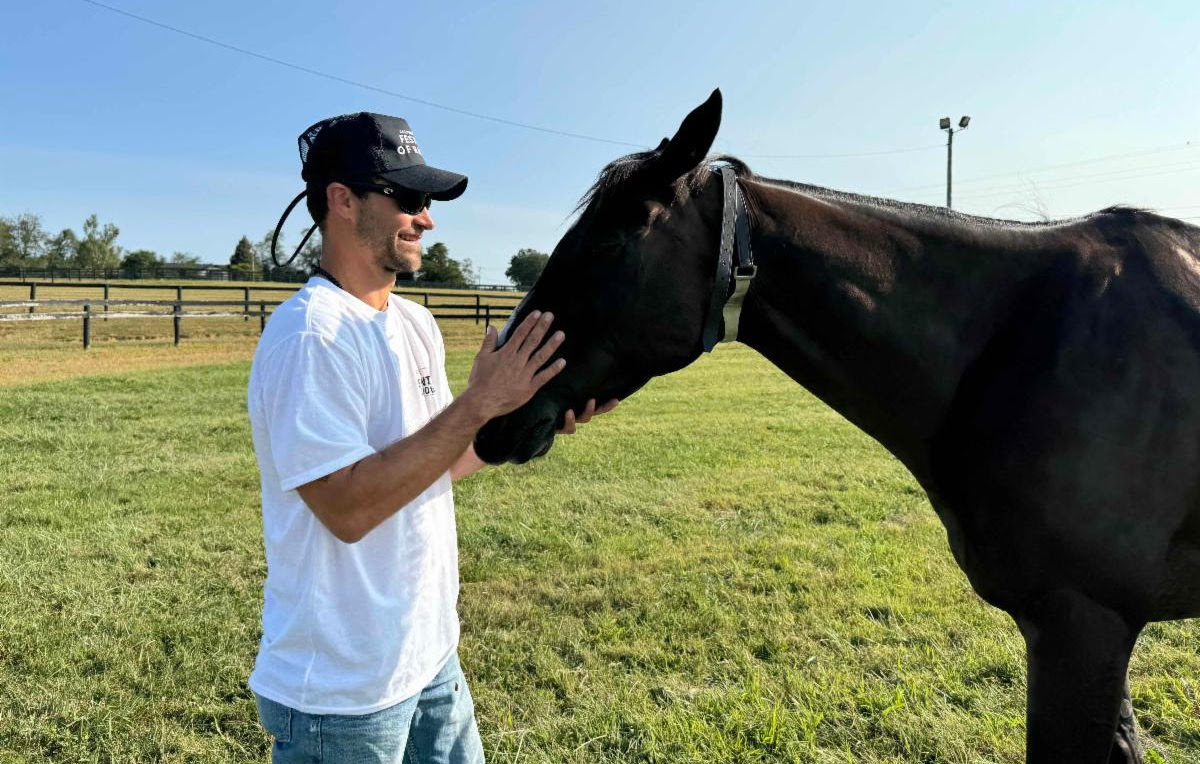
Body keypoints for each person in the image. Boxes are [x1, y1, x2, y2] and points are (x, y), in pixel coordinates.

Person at [246, 112, 616, 764]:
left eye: (429, 202)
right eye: (409, 199)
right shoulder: (311, 336)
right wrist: (477, 402)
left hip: (429, 656)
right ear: (342, 200)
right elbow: (347, 508)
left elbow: (432, 463)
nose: (427, 218)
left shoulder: (416, 325)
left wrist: (520, 426)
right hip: (342, 696)